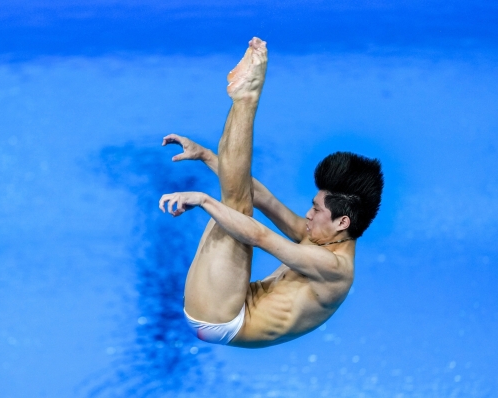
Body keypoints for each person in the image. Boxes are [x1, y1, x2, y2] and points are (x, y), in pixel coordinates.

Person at [160, 37, 384, 348]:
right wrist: (207, 156)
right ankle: (243, 98)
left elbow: (260, 236)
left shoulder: (334, 268)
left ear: (342, 222)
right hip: (225, 299)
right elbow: (261, 197)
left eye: (317, 209)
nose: (308, 214)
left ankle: (247, 97)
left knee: (235, 207)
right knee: (238, 199)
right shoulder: (322, 235)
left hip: (223, 320)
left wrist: (203, 200)